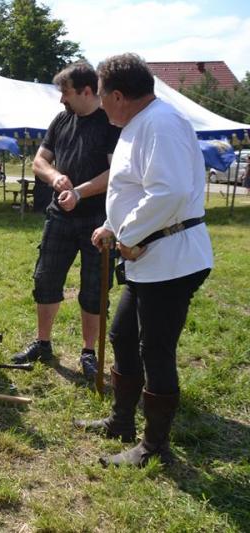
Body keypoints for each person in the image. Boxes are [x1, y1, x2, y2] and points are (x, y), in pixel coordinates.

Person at [77, 53, 213, 467]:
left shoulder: (161, 124)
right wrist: (112, 226)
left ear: (118, 95)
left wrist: (128, 235)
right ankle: (122, 421)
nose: (100, 104)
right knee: (122, 335)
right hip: (150, 258)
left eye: (102, 96)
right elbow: (133, 190)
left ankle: (155, 447)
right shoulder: (139, 125)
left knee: (156, 350)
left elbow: (169, 192)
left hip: (171, 260)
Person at [12, 61, 120, 382]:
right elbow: (39, 161)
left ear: (86, 91)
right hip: (59, 216)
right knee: (45, 279)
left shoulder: (111, 123)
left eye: (66, 92)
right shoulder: (61, 120)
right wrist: (55, 177)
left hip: (98, 220)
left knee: (94, 288)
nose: (61, 99)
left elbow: (115, 173)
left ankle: (88, 353)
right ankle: (43, 343)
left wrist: (79, 192)